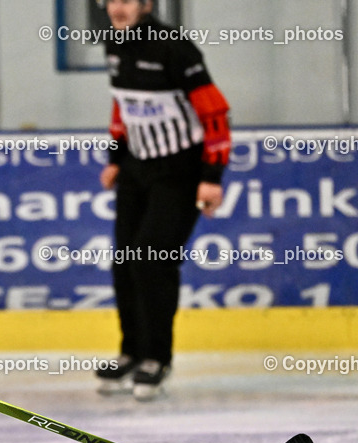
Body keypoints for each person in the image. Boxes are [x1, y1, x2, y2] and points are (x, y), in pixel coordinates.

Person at [96, 0, 231, 400]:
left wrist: (211, 178)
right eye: (112, 0)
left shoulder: (174, 47)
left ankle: (157, 357)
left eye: (127, 1)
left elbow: (215, 113)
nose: (117, 8)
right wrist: (116, 158)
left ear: (146, 5)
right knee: (125, 262)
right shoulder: (114, 43)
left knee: (151, 260)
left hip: (180, 171)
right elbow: (122, 104)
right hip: (136, 168)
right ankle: (132, 352)